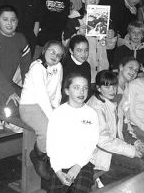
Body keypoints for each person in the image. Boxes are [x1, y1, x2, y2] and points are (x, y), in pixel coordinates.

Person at [87, 70, 144, 185]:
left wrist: (136, 143)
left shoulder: (115, 100)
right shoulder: (95, 107)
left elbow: (125, 128)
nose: (112, 90)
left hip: (117, 145)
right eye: (107, 87)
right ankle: (104, 177)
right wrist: (131, 151)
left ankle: (109, 177)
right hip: (102, 151)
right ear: (98, 88)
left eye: (114, 86)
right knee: (140, 165)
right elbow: (103, 142)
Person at [19, 40, 65, 180]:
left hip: (48, 105)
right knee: (47, 130)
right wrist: (52, 117)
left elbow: (57, 90)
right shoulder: (37, 68)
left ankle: (56, 157)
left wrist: (56, 109)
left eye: (58, 55)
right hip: (30, 105)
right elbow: (41, 96)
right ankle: (39, 155)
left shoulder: (59, 67)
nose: (54, 56)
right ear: (44, 50)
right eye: (52, 51)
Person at [47, 73, 99, 193]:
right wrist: (58, 171)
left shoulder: (91, 114)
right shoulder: (58, 114)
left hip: (83, 163)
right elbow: (51, 145)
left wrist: (77, 166)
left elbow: (92, 143)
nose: (81, 92)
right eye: (76, 87)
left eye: (85, 88)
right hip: (60, 163)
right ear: (67, 91)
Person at [63, 0, 110, 83]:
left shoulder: (105, 17)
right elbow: (66, 44)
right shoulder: (74, 18)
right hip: (81, 67)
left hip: (101, 66)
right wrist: (78, 33)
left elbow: (109, 46)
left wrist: (109, 39)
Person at [62, 35, 91, 100]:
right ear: (71, 51)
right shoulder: (65, 66)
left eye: (86, 50)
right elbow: (63, 91)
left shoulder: (87, 65)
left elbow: (87, 88)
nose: (84, 54)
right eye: (79, 50)